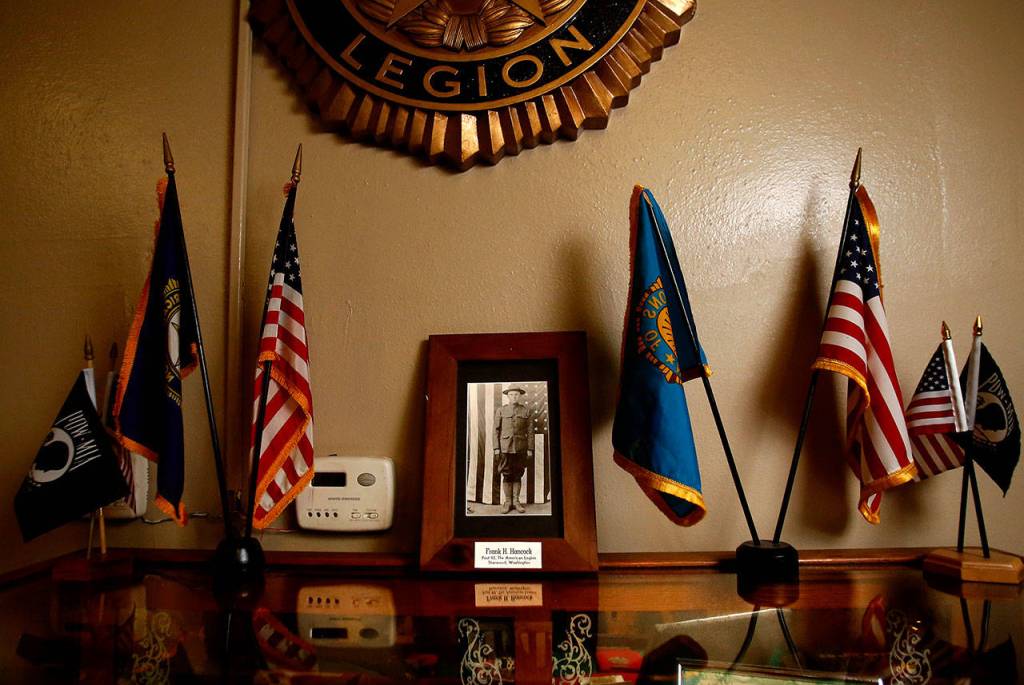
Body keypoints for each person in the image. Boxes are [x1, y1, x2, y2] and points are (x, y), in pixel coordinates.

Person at [493, 387, 534, 514]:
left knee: (518, 474)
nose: (514, 396)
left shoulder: (526, 411)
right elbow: (496, 430)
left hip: (521, 448)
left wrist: (530, 448)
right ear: (508, 396)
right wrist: (496, 448)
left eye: (516, 394)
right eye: (511, 394)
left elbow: (530, 431)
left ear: (520, 396)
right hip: (505, 448)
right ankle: (508, 502)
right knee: (506, 473)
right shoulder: (501, 410)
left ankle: (516, 502)